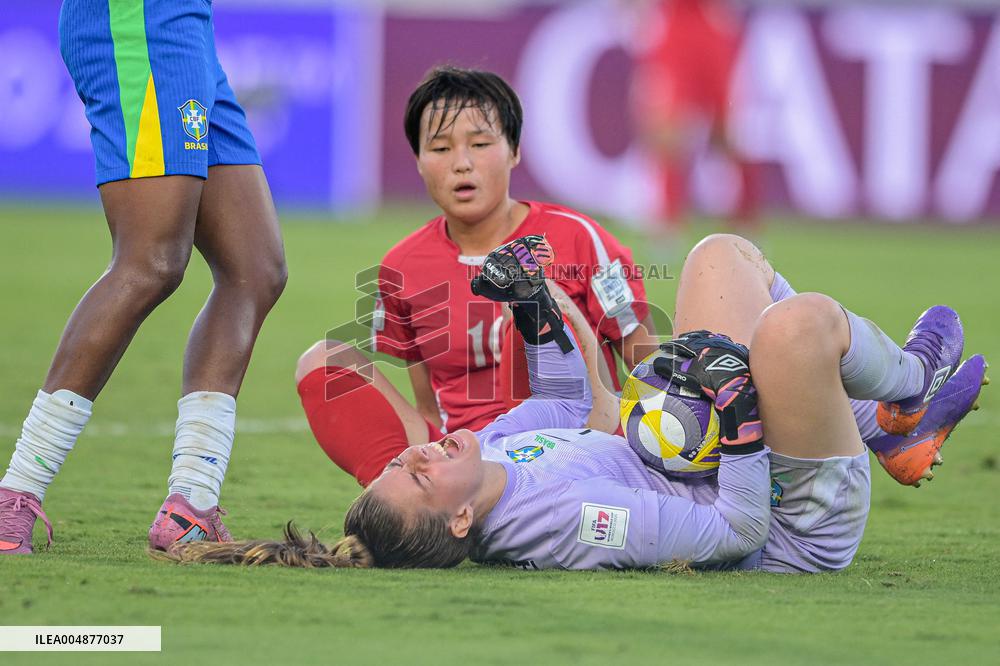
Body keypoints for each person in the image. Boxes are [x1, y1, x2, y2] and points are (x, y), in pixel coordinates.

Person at [163, 235, 985, 572]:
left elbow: (562, 399)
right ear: (457, 526)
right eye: (414, 478)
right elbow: (738, 532)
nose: (416, 452)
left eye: (397, 461)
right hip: (791, 514)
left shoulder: (493, 460)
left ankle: (891, 421)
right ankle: (903, 395)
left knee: (718, 257)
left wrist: (531, 309)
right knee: (794, 330)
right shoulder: (562, 524)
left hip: (708, 446)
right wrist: (735, 411)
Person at [0, 0, 287, 555]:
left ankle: (192, 503)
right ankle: (16, 494)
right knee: (150, 262)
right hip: (135, 21)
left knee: (255, 270)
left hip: (187, 30)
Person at [295, 67, 659, 488]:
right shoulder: (402, 266)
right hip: (464, 460)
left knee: (533, 305)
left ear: (514, 150)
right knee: (323, 362)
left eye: (481, 144)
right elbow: (429, 411)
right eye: (440, 147)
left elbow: (645, 367)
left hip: (576, 456)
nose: (462, 163)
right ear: (417, 159)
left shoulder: (578, 237)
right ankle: (404, 508)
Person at [629, 0, 757, 230]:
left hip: (713, 30)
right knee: (667, 130)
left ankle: (744, 218)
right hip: (673, 32)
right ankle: (668, 220)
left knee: (728, 131)